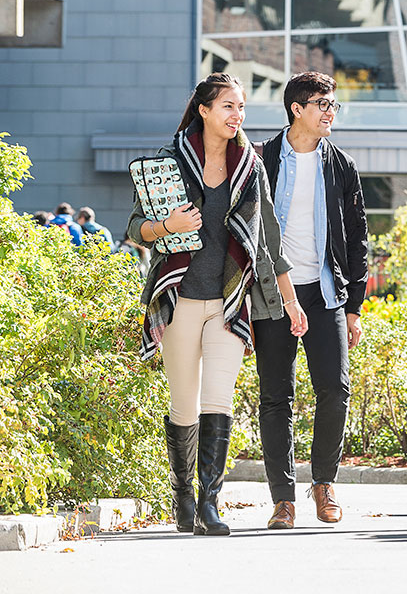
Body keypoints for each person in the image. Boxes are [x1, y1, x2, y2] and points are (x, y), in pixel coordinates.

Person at [126, 73, 308, 536]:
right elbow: (134, 227)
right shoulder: (169, 163)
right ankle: (183, 495)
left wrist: (290, 302)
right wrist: (164, 225)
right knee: (183, 402)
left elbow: (267, 241)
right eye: (228, 106)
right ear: (204, 109)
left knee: (217, 400)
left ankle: (210, 503)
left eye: (242, 107)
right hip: (180, 298)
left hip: (230, 302)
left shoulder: (250, 166)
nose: (237, 115)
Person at [254, 72, 369, 530]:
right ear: (296, 108)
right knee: (275, 395)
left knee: (335, 389)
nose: (330, 112)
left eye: (333, 104)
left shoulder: (340, 166)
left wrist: (356, 306)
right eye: (322, 103)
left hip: (324, 292)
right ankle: (282, 499)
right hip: (269, 293)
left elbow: (358, 239)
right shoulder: (261, 159)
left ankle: (324, 483)